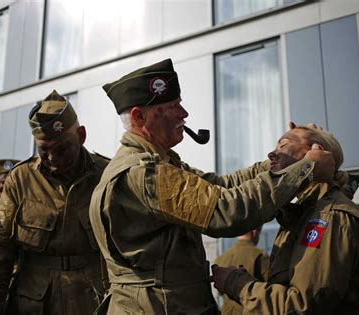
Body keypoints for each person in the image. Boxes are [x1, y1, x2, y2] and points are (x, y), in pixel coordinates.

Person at [89, 58, 335, 314]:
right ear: (140, 117)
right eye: (173, 106)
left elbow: (221, 185)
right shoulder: (145, 173)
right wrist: (304, 169)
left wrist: (282, 161)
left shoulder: (159, 165)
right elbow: (225, 210)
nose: (184, 114)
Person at [212, 126, 359, 314]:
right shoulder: (304, 214)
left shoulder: (326, 216)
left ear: (314, 151)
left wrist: (237, 284)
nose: (271, 154)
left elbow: (303, 304)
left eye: (283, 146)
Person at [0, 90, 110, 314]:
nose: (52, 159)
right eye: (43, 150)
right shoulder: (21, 179)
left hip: (94, 302)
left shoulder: (106, 174)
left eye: (61, 149)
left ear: (82, 136)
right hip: (35, 305)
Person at [214, 227, 269, 315]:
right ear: (254, 232)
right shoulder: (260, 256)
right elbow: (270, 290)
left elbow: (219, 290)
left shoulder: (221, 258)